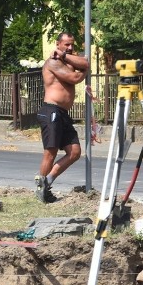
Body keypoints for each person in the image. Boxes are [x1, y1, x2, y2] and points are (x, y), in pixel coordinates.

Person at [35, 32, 89, 203]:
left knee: (74, 152)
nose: (71, 47)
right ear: (58, 44)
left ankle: (47, 182)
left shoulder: (67, 59)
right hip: (51, 110)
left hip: (63, 113)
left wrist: (68, 57)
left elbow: (85, 62)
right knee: (50, 153)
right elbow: (74, 78)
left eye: (72, 44)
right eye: (66, 45)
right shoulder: (53, 62)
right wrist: (84, 72)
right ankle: (40, 189)